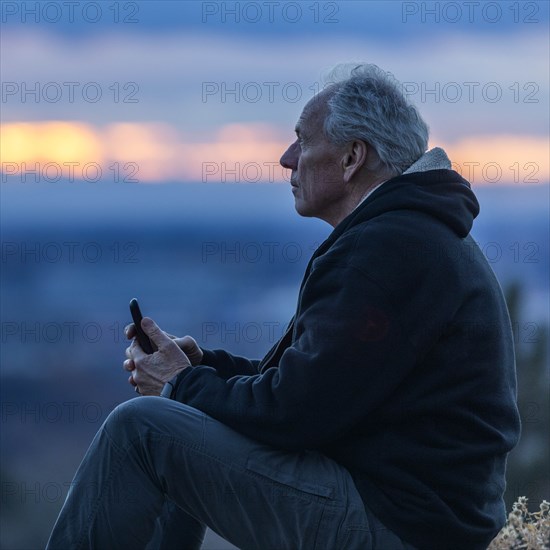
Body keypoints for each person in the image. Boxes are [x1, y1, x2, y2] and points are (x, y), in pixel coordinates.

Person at [46, 63, 521, 550]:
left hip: (397, 526)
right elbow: (317, 386)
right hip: (419, 517)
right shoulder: (415, 237)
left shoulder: (388, 249)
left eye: (302, 141)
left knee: (140, 429)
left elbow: (294, 416)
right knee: (180, 425)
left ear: (351, 157)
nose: (286, 159)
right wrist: (205, 368)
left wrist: (180, 382)